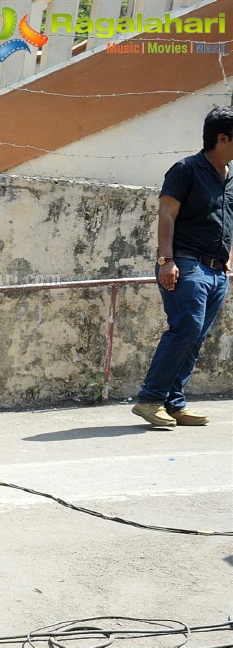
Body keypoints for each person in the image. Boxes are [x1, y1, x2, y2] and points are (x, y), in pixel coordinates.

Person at [132, 106, 231, 428]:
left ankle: (174, 403)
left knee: (196, 335)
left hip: (217, 269)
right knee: (186, 328)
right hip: (186, 261)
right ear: (222, 138)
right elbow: (167, 213)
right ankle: (149, 399)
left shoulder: (229, 177)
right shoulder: (186, 169)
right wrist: (166, 260)